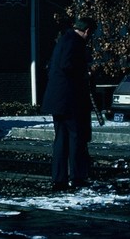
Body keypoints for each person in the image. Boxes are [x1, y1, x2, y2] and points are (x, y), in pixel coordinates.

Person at [41, 17, 97, 191]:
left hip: (57, 99)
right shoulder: (75, 42)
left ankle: (59, 179)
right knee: (76, 137)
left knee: (61, 139)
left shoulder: (63, 39)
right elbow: (68, 65)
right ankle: (78, 176)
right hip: (69, 99)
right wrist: (85, 73)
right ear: (87, 31)